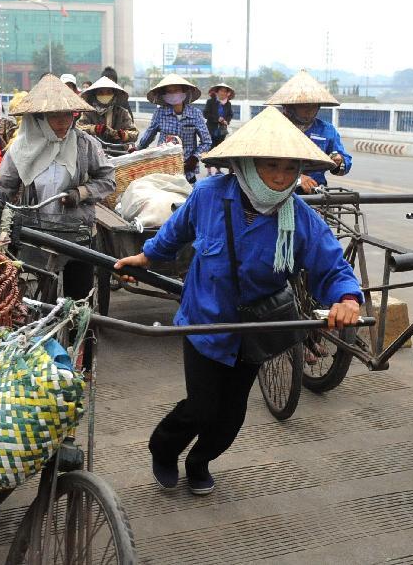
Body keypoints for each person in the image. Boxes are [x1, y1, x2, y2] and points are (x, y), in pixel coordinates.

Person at [114, 106, 362, 495]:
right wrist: (146, 256)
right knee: (201, 406)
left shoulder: (298, 215)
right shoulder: (210, 195)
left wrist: (347, 298)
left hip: (254, 328)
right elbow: (177, 232)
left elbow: (330, 264)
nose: (280, 178)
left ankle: (200, 461)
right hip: (204, 322)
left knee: (230, 416)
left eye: (289, 168)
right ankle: (163, 449)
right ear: (246, 164)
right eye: (270, 166)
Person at [0, 74, 115, 367]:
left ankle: (81, 365)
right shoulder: (21, 148)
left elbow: (108, 180)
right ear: (39, 118)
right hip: (35, 232)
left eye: (67, 115)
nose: (62, 122)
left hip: (76, 233)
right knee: (32, 300)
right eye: (54, 116)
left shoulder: (85, 144)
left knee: (78, 303)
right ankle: (30, 360)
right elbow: (4, 186)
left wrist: (80, 192)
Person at [267, 70, 351, 194]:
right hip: (278, 192)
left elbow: (345, 163)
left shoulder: (326, 130)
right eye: (304, 106)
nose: (310, 110)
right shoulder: (271, 128)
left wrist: (339, 161)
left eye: (314, 106)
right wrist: (298, 179)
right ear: (289, 107)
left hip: (316, 193)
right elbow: (260, 166)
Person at [137, 73, 212, 184]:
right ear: (164, 95)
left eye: (176, 90)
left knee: (187, 199)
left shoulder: (195, 114)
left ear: (184, 92)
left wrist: (194, 158)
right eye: (169, 92)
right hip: (164, 168)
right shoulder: (160, 113)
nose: (173, 94)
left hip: (187, 170)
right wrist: (137, 149)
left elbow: (207, 142)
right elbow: (148, 136)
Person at [77, 76, 139, 145]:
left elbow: (134, 133)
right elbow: (78, 128)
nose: (105, 95)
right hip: (93, 149)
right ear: (95, 95)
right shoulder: (88, 112)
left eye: (109, 92)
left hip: (118, 150)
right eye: (100, 93)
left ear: (114, 94)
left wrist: (124, 135)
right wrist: (94, 129)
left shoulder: (122, 113)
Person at [203, 82, 235, 149]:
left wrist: (227, 121)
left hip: (222, 131)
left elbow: (230, 114)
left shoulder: (228, 104)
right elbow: (205, 114)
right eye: (221, 91)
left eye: (225, 91)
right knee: (210, 148)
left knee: (219, 149)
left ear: (227, 93)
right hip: (210, 130)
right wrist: (217, 118)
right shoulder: (210, 102)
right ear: (217, 92)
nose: (223, 93)